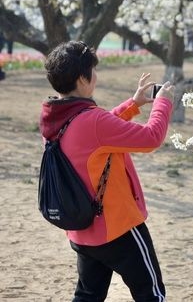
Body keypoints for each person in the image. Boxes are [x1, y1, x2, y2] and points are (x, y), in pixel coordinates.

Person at [39, 40, 175, 302]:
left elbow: (96, 134)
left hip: (81, 229)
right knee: (152, 294)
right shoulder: (92, 120)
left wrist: (133, 105)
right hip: (118, 227)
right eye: (93, 70)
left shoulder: (54, 116)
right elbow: (151, 138)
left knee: (88, 296)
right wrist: (163, 104)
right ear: (82, 78)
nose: (96, 76)